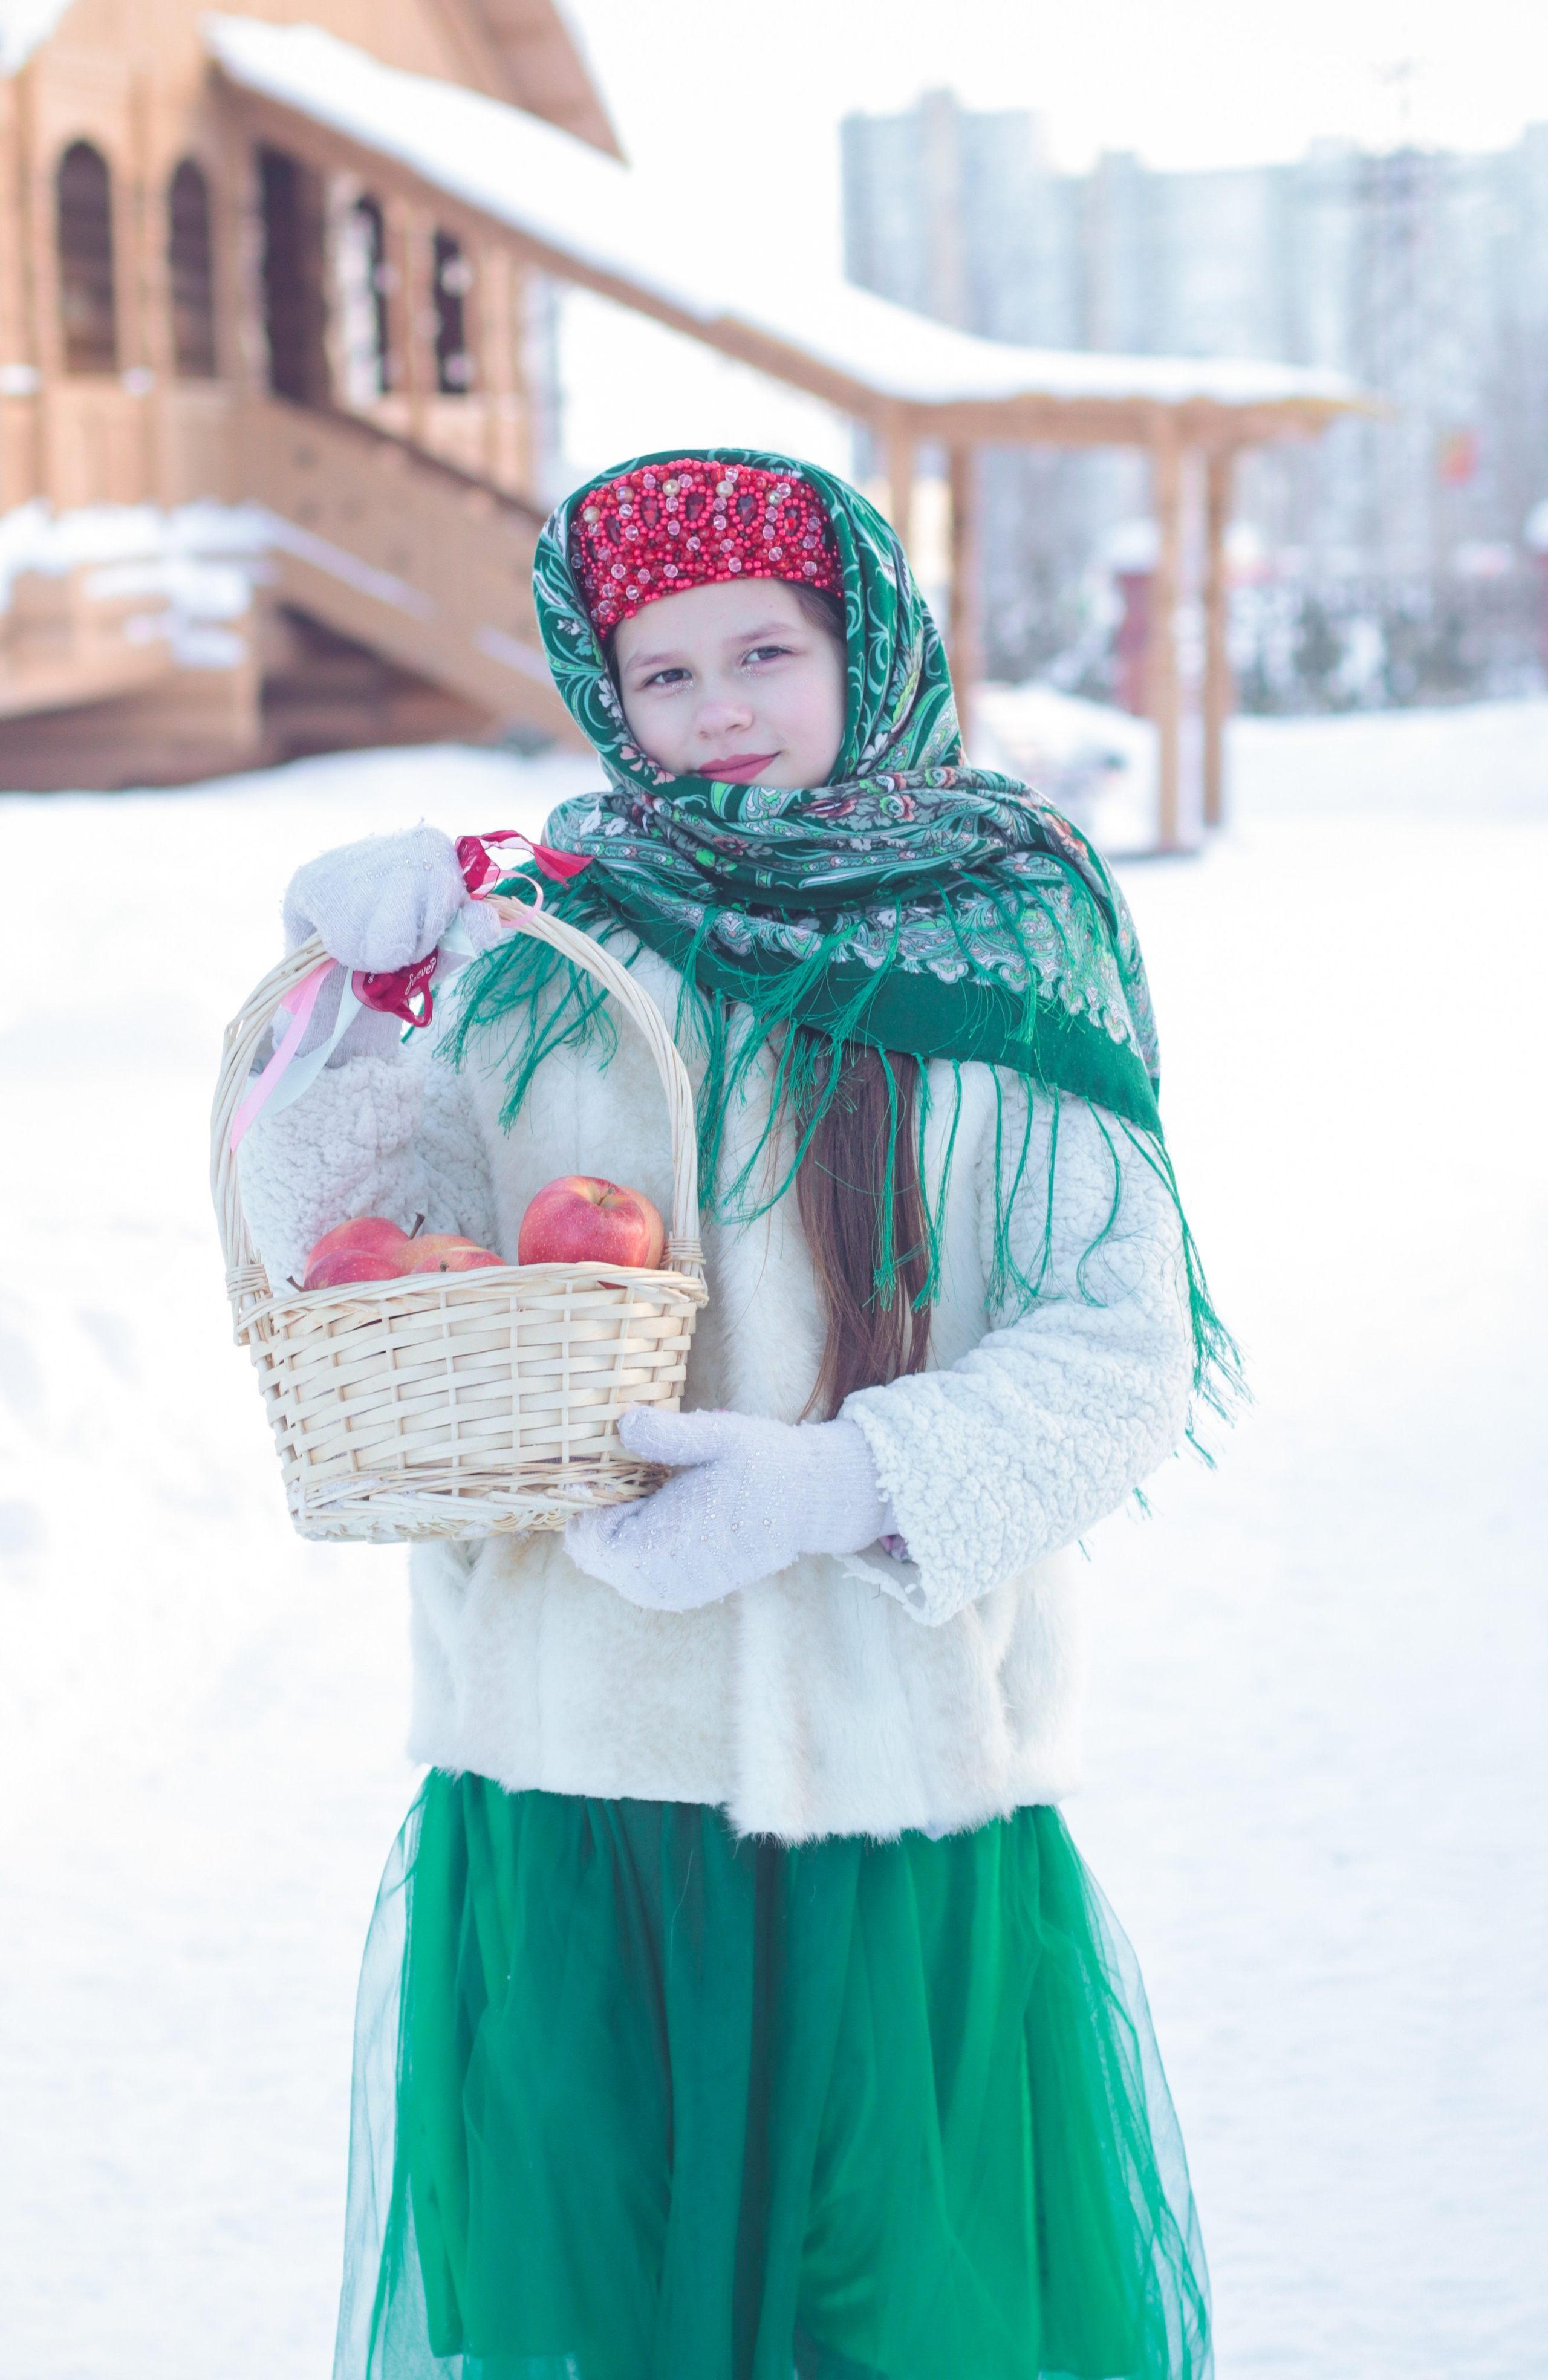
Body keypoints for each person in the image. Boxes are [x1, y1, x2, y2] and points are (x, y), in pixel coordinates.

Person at [241, 449, 1231, 2380]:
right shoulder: (540, 945)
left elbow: (1122, 1348)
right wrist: (360, 1005)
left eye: (763, 652)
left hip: (889, 1782)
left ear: (865, 645)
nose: (717, 715)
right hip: (570, 1774)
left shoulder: (1002, 926)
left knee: (899, 2321)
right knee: (594, 2316)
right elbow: (349, 1249)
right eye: (662, 674)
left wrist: (840, 1483)